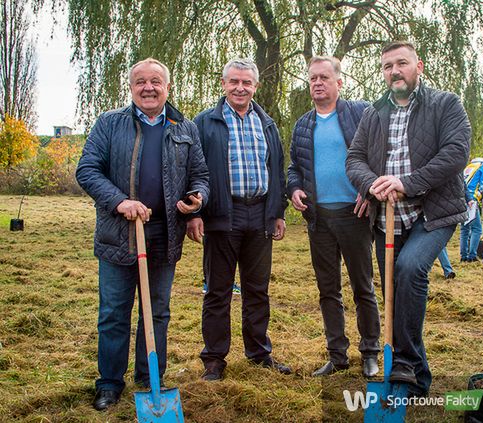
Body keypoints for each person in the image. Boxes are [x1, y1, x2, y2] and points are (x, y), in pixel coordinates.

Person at [75, 58, 209, 411]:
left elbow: (201, 176)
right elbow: (87, 170)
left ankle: (149, 378)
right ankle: (109, 383)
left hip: (164, 236)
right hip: (118, 235)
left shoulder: (185, 128)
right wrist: (120, 202)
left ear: (168, 87)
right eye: (140, 82)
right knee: (114, 312)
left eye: (155, 82)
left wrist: (196, 200)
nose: (148, 88)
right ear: (131, 88)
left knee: (158, 312)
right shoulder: (110, 123)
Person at [346, 41, 471, 396]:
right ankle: (416, 375)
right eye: (387, 66)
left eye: (402, 63)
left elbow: (456, 153)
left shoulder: (446, 104)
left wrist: (406, 183)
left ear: (419, 65)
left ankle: (403, 361)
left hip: (433, 212)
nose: (394, 71)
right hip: (387, 216)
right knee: (395, 291)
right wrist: (373, 185)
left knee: (410, 269)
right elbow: (354, 158)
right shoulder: (374, 112)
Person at [187, 58, 291, 381]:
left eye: (246, 83)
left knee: (257, 289)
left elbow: (276, 171)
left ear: (255, 86)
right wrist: (196, 214)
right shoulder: (205, 123)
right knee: (218, 290)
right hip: (221, 214)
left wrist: (278, 212)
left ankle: (259, 353)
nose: (240, 88)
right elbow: (194, 171)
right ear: (223, 84)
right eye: (234, 81)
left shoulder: (268, 123)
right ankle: (214, 360)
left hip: (260, 214)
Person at [287, 56, 381, 378]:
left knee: (362, 286)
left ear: (339, 82)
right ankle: (337, 355)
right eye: (312, 78)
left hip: (354, 214)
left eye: (324, 78)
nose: (317, 83)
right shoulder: (303, 124)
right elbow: (294, 168)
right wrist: (295, 189)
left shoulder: (361, 112)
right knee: (328, 290)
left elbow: (379, 155)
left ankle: (370, 352)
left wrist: (369, 189)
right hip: (319, 220)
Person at [460, 153, 483, 262]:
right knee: (477, 229)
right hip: (471, 199)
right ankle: (472, 256)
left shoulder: (471, 166)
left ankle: (463, 256)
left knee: (464, 228)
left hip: (461, 197)